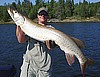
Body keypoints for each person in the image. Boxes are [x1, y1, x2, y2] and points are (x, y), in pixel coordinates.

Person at [16, 7, 56, 77]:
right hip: (29, 64)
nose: (42, 15)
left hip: (44, 68)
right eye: (41, 14)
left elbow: (50, 47)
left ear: (47, 16)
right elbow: (21, 40)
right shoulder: (30, 27)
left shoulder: (51, 29)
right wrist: (19, 25)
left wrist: (49, 42)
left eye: (45, 14)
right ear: (38, 16)